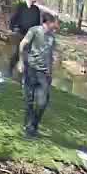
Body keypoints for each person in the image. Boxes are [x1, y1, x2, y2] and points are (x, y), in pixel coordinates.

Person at [13, 10, 61, 138]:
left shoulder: (52, 38)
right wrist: (21, 61)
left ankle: (33, 124)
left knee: (43, 102)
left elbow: (50, 56)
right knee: (29, 100)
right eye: (53, 23)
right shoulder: (34, 31)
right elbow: (23, 44)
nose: (55, 26)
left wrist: (50, 73)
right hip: (31, 69)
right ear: (48, 23)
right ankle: (29, 127)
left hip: (43, 73)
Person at [8, 0, 44, 72]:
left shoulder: (36, 10)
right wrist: (11, 28)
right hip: (20, 33)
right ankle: (9, 70)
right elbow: (14, 18)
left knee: (29, 56)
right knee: (17, 53)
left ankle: (24, 74)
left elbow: (38, 24)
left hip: (30, 35)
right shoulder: (21, 6)